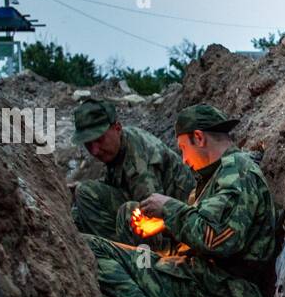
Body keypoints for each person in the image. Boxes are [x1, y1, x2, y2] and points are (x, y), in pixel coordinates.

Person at [84, 104, 278, 297]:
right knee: (126, 218)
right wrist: (164, 225)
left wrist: (169, 208)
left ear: (199, 137)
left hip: (218, 294)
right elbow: (206, 229)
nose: (184, 160)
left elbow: (218, 239)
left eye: (183, 149)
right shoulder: (215, 176)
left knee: (90, 249)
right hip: (202, 280)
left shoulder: (237, 172)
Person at [71, 98, 194, 247]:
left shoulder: (139, 161)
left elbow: (152, 216)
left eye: (99, 139)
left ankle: (119, 256)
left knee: (129, 211)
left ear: (117, 128)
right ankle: (110, 248)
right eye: (88, 144)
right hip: (161, 217)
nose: (95, 150)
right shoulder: (119, 145)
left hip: (179, 232)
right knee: (81, 204)